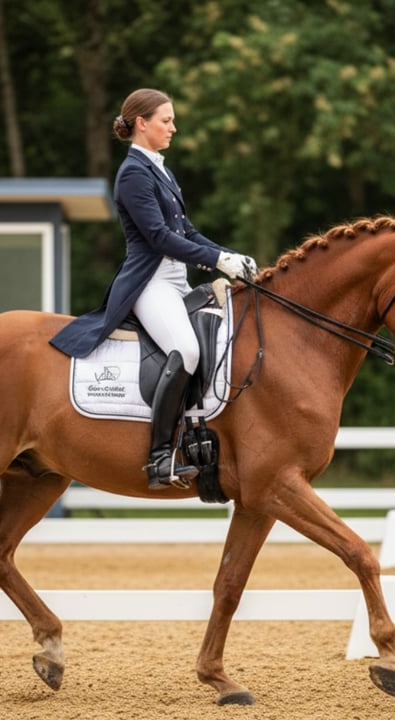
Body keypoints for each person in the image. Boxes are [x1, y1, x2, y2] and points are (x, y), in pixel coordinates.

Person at [50, 88, 257, 490]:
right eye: (166, 120)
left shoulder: (160, 169)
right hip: (150, 283)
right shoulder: (132, 173)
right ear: (141, 123)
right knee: (188, 349)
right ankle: (160, 456)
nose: (174, 127)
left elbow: (187, 231)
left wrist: (227, 255)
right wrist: (215, 261)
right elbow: (160, 237)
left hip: (177, 282)